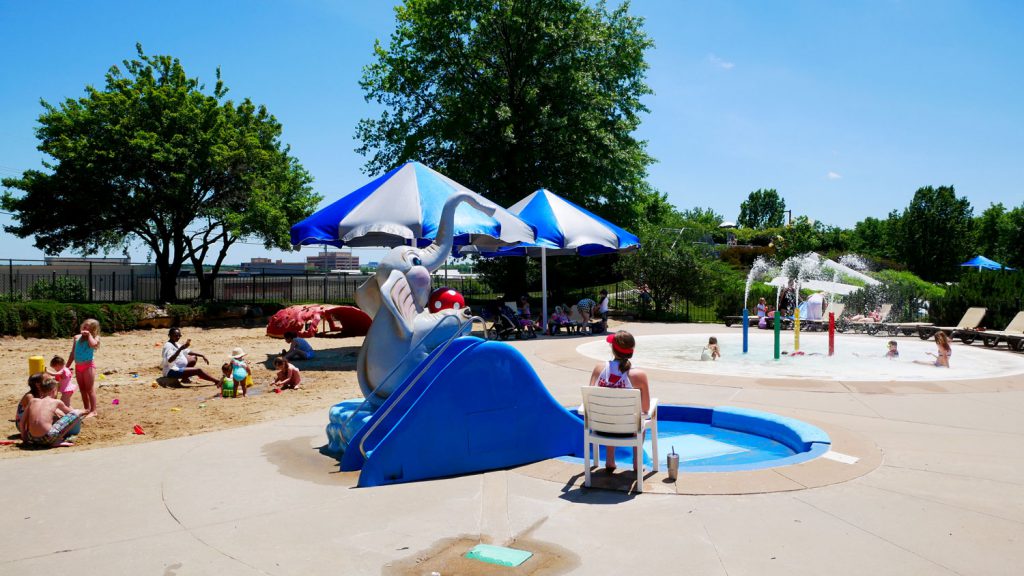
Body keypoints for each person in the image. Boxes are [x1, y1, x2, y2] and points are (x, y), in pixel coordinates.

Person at [588, 330, 651, 472]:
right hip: (629, 431)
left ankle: (610, 461)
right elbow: (646, 408)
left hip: (601, 428)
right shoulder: (639, 375)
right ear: (632, 351)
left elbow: (590, 398)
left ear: (613, 349)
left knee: (610, 412)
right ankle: (637, 463)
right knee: (638, 420)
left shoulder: (599, 369)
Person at [21, 378, 84, 448]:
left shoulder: (32, 401)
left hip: (32, 438)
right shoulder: (56, 402)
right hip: (48, 438)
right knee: (76, 413)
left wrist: (25, 439)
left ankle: (52, 439)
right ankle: (57, 441)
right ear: (54, 390)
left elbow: (22, 422)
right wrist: (81, 411)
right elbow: (71, 413)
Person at [67, 318, 100, 417]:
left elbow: (93, 344)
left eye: (89, 327)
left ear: (93, 329)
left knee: (89, 389)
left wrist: (89, 335)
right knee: (82, 389)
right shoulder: (77, 337)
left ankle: (93, 410)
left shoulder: (95, 337)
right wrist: (66, 366)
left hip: (88, 366)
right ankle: (86, 408)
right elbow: (73, 353)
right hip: (78, 366)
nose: (86, 327)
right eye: (85, 325)